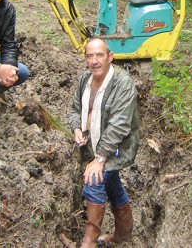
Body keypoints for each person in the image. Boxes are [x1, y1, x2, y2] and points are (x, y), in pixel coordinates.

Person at [68, 37, 139, 247]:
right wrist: (77, 128)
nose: (95, 61)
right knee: (112, 182)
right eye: (90, 56)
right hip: (92, 144)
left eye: (99, 55)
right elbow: (74, 109)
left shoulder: (122, 83)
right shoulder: (85, 80)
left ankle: (88, 241)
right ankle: (123, 237)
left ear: (110, 57)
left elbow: (119, 125)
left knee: (94, 179)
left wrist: (99, 159)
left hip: (116, 148)